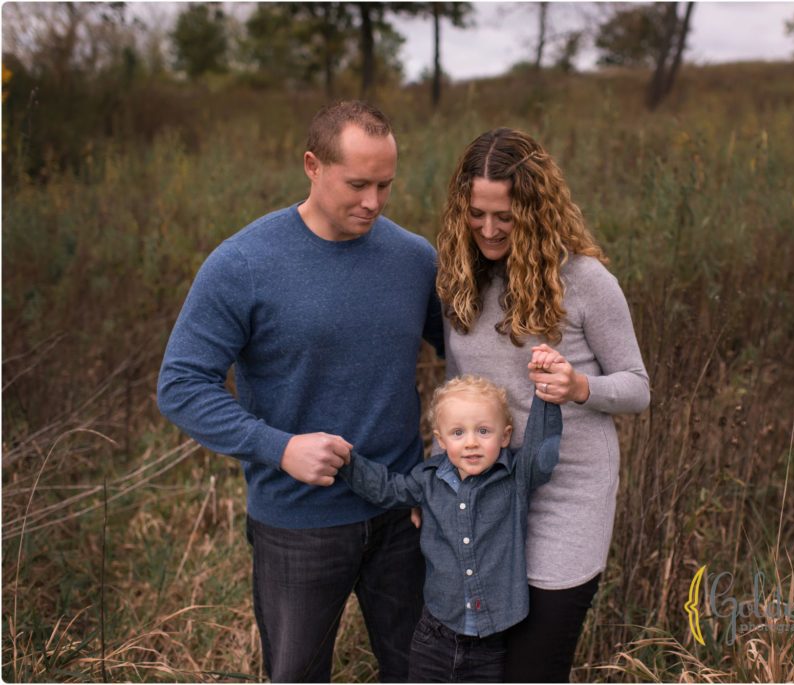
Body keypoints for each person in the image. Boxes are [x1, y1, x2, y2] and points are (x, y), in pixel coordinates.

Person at [156, 100, 444, 683]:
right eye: (357, 184)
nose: (373, 202)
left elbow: (468, 361)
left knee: (425, 672)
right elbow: (181, 384)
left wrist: (447, 460)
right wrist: (277, 447)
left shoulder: (414, 259)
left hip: (403, 514)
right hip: (297, 521)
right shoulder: (243, 263)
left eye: (385, 184)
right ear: (312, 165)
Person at [435, 127, 651, 682]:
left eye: (504, 216)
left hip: (566, 500)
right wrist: (435, 481)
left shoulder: (584, 281)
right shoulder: (460, 282)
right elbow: (456, 393)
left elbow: (637, 386)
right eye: (476, 214)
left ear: (534, 209)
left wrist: (581, 387)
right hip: (484, 502)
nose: (487, 229)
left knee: (533, 668)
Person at [339, 370, 562, 682]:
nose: (471, 442)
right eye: (458, 433)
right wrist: (348, 463)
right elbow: (388, 489)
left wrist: (546, 394)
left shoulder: (515, 479)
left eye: (484, 431)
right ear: (441, 441)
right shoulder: (428, 480)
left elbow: (542, 454)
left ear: (505, 436)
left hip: (492, 640)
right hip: (435, 634)